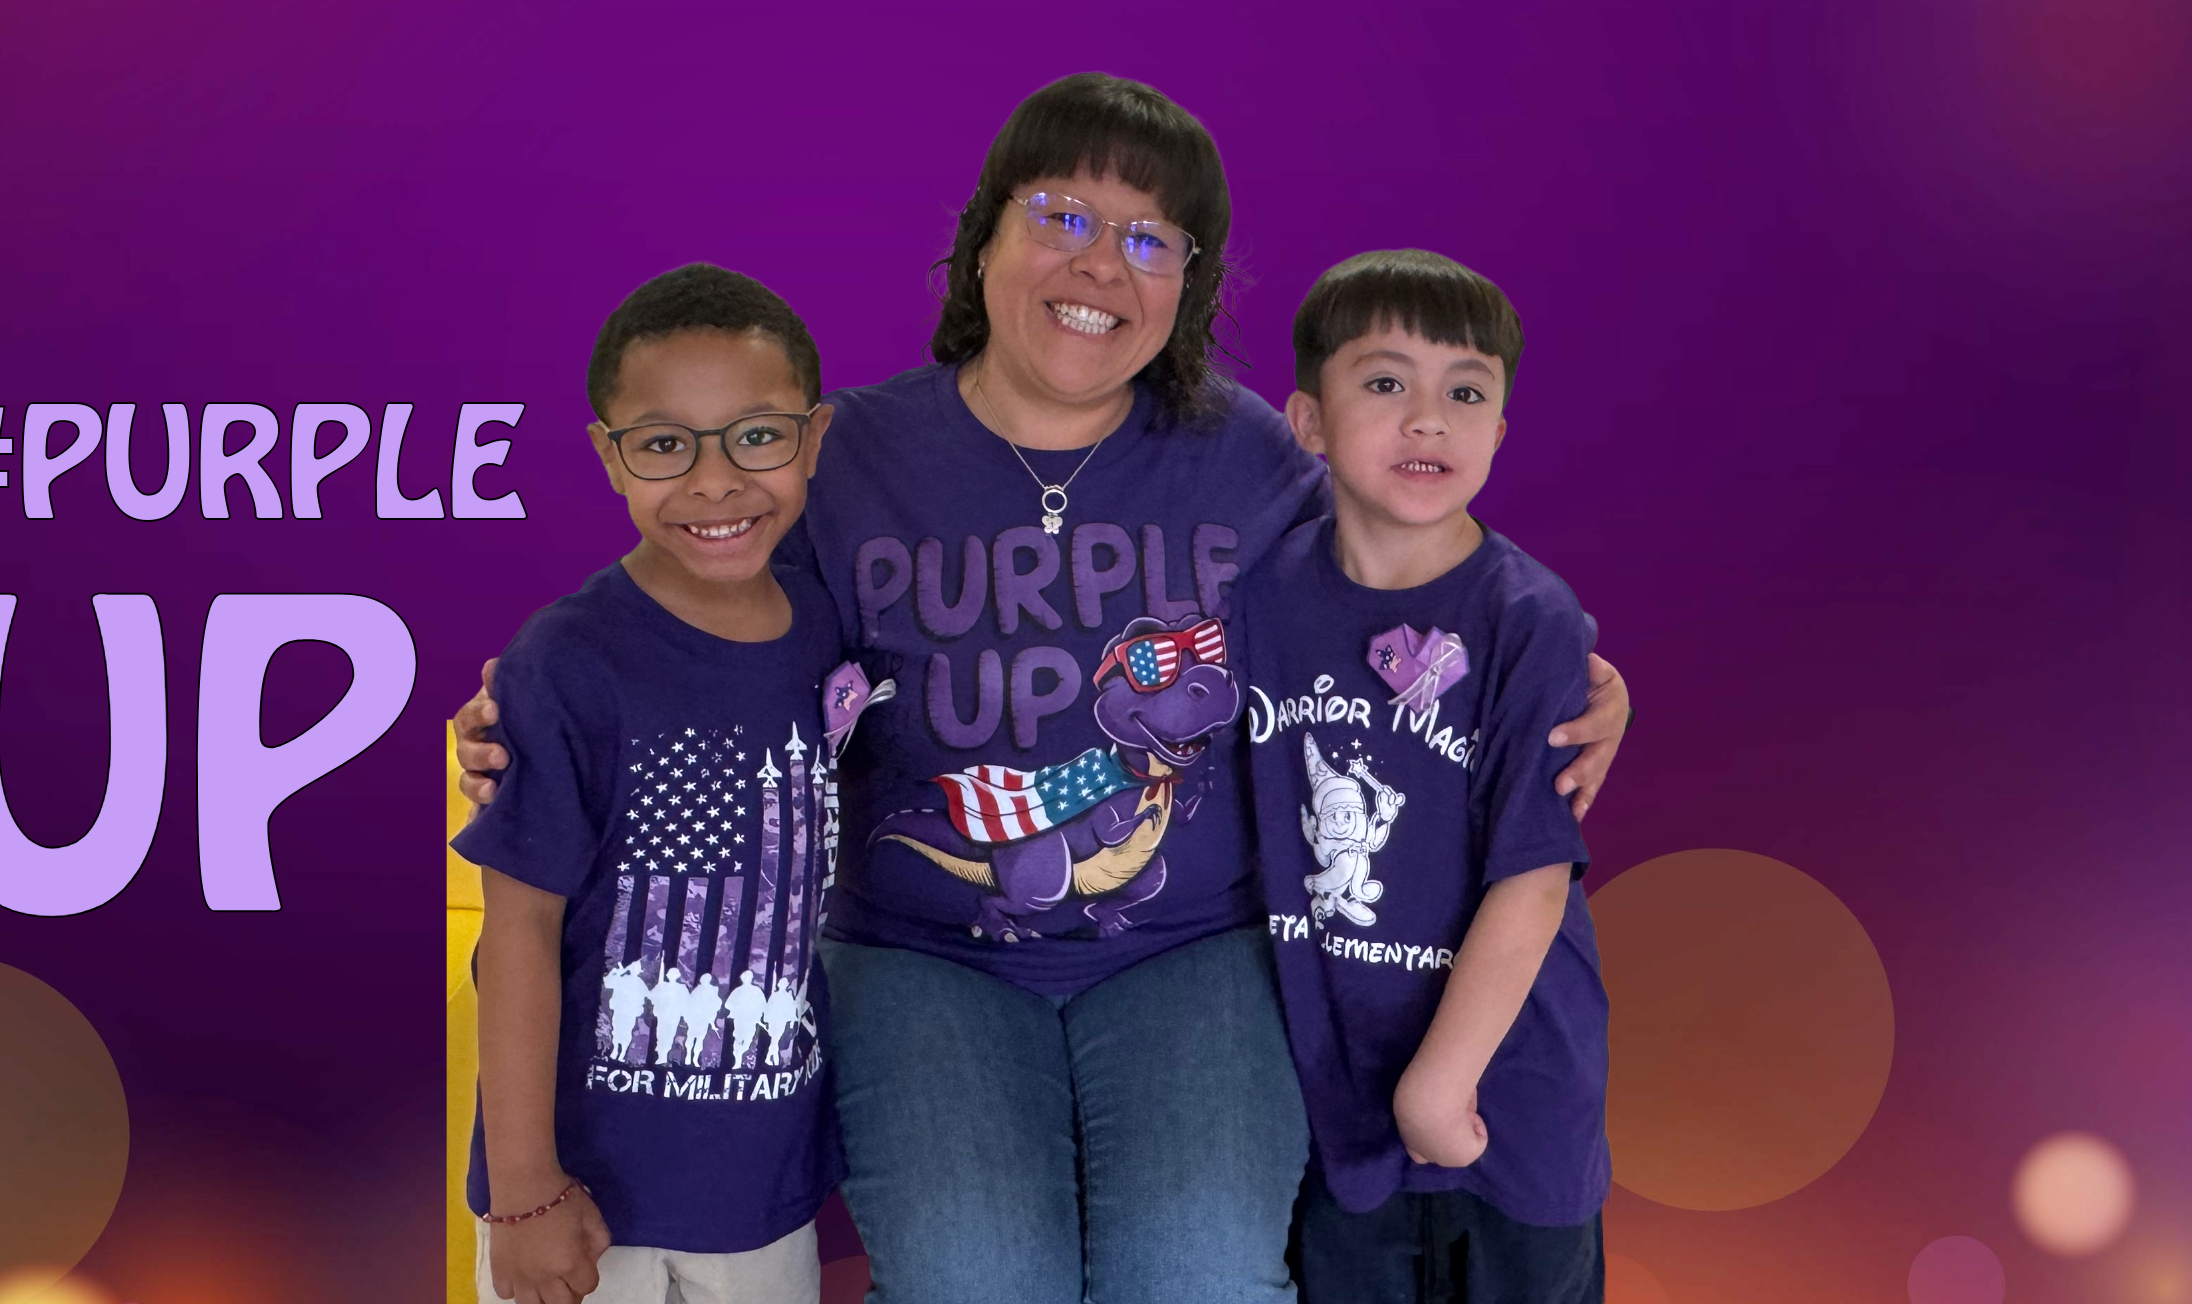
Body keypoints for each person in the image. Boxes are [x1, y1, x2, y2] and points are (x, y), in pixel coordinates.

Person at [460, 74, 1636, 1304]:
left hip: (1195, 947)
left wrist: (1578, 676)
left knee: (1197, 1278)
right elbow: (703, 606)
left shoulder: (1254, 458)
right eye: (1062, 215)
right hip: (924, 953)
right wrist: (535, 692)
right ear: (986, 238)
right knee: (977, 1280)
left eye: (1148, 239)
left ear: (1190, 281)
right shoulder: (844, 452)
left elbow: (1420, 574)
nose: (1100, 267)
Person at [459, 264, 847, 1304]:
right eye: (665, 443)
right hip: (579, 1194)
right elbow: (518, 935)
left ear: (811, 438)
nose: (715, 481)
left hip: (761, 1184)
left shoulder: (832, 628)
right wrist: (526, 1189)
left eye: (757, 435)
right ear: (609, 454)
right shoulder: (565, 661)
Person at [1236, 249, 1608, 1302]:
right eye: (1386, 382)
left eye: (1467, 391)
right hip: (1338, 1090)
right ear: (1308, 421)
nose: (1429, 418)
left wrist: (1443, 1078)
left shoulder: (1526, 619)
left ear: (1499, 429)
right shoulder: (1261, 600)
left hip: (1513, 1090)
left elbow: (1535, 870)